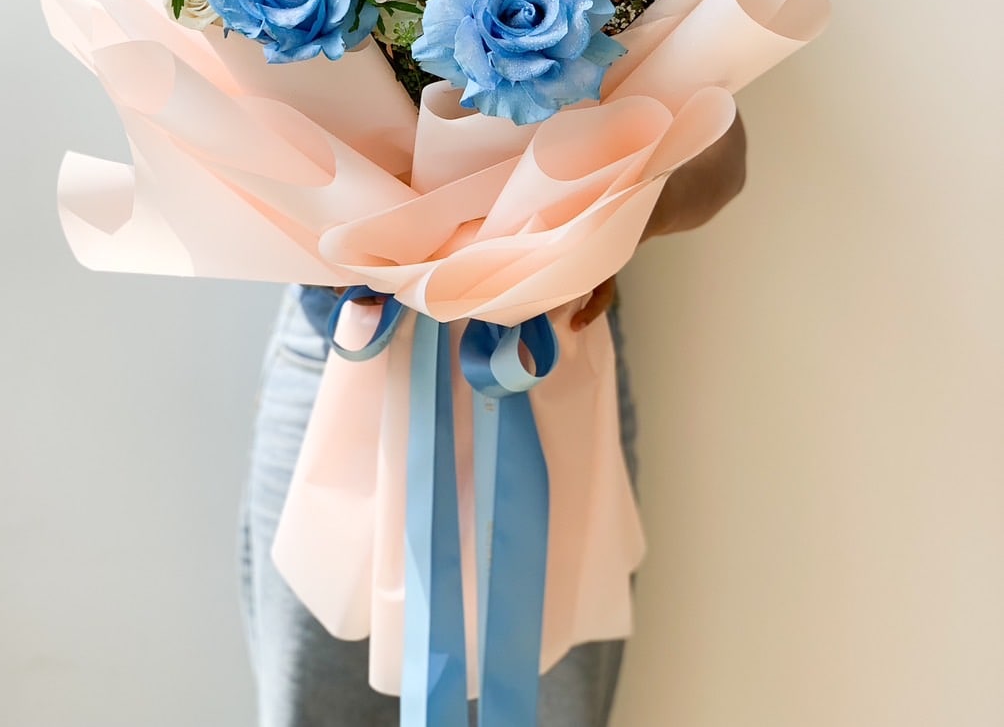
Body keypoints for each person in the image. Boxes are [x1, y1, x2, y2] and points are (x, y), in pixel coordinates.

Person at [239, 115, 748, 727]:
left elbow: (721, 152)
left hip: (549, 354)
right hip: (346, 350)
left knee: (547, 694)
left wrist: (600, 229)